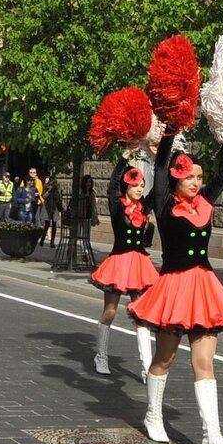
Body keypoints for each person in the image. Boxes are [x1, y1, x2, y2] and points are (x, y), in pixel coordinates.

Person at [126, 139, 223, 444]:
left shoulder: (204, 201)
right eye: (190, 176)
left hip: (204, 290)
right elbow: (161, 166)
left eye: (199, 177)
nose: (197, 181)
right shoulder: (164, 203)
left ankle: (212, 435)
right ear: (178, 178)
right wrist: (169, 133)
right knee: (165, 359)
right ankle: (152, 415)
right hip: (174, 291)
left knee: (204, 363)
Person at [89, 156, 159, 378]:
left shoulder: (144, 207)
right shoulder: (117, 205)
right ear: (125, 187)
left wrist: (161, 156)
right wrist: (122, 159)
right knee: (110, 311)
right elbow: (111, 184)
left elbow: (160, 189)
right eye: (135, 185)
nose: (139, 189)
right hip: (119, 264)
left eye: (141, 186)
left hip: (138, 265)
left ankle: (147, 365)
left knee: (141, 315)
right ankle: (100, 356)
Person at [39, 175, 63, 247]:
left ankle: (52, 241)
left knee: (54, 225)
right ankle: (43, 239)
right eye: (52, 182)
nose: (54, 184)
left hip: (54, 209)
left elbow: (59, 199)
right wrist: (50, 190)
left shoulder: (57, 189)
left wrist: (60, 208)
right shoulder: (46, 187)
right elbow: (44, 196)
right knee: (47, 225)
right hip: (47, 208)